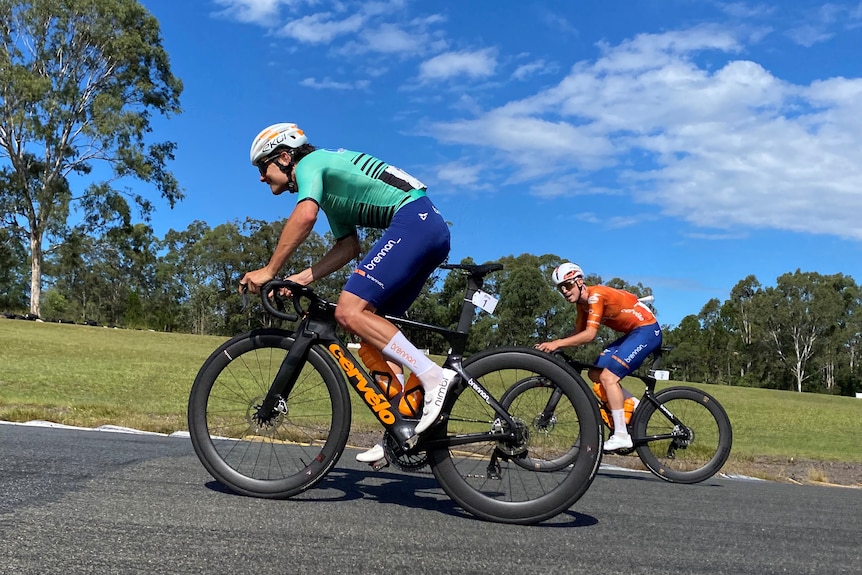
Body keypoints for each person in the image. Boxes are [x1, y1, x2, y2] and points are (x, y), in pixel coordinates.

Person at [239, 123, 454, 464]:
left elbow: (305, 214)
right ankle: (401, 426)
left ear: (283, 157)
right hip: (426, 226)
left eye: (262, 167)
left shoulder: (311, 165)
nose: (261, 178)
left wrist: (270, 271)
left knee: (348, 311)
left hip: (414, 220)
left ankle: (433, 377)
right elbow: (348, 246)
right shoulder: (331, 193)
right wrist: (299, 279)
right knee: (370, 336)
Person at [535, 262, 662, 451]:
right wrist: (554, 345)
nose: (565, 291)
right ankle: (633, 405)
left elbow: (589, 335)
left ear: (579, 281)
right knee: (595, 374)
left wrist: (557, 343)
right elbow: (577, 332)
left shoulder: (596, 296)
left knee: (608, 377)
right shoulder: (581, 305)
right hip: (633, 333)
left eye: (568, 285)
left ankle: (621, 435)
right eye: (560, 288)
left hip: (647, 331)